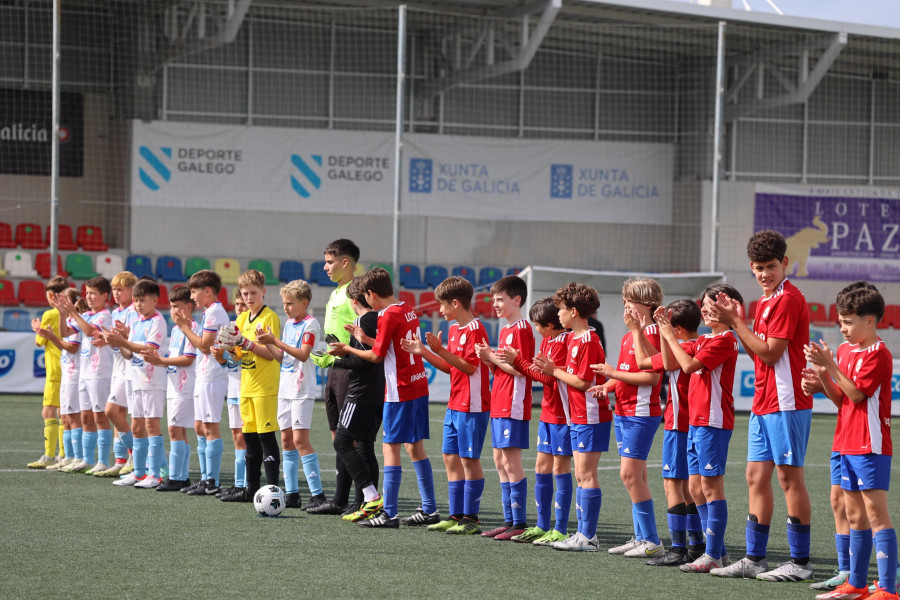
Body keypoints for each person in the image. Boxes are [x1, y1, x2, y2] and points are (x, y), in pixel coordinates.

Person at [706, 230, 814, 582]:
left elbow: (772, 353)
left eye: (771, 266)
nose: (764, 273)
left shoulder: (787, 299)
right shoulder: (766, 302)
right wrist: (738, 324)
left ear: (784, 263)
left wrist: (735, 322)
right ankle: (754, 559)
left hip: (786, 402)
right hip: (764, 401)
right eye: (758, 267)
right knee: (755, 477)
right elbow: (758, 354)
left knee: (788, 478)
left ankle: (799, 563)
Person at [806, 282, 898, 600]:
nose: (842, 328)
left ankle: (887, 588)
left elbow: (858, 394)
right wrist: (822, 377)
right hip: (846, 443)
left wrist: (830, 367)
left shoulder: (880, 354)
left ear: (870, 322)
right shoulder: (845, 351)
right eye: (841, 321)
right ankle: (857, 584)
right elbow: (843, 399)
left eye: (848, 321)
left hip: (870, 445)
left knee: (876, 515)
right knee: (855, 515)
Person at [328, 267, 437, 529]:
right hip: (418, 385)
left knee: (390, 448)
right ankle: (430, 508)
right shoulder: (408, 308)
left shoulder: (386, 315)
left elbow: (376, 356)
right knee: (415, 446)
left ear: (371, 294)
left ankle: (389, 513)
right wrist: (363, 338)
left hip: (399, 390)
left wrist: (347, 349)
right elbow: (387, 345)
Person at [655, 287, 743, 573]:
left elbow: (690, 366)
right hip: (697, 422)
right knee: (694, 487)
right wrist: (664, 331)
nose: (704, 309)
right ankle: (718, 553)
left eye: (709, 305)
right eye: (703, 305)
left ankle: (713, 555)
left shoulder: (726, 340)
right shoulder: (705, 338)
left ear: (728, 309)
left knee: (710, 487)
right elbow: (671, 363)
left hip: (713, 422)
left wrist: (669, 334)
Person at [402, 276, 491, 535]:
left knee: (468, 460)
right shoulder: (454, 330)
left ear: (455, 303)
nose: (439, 310)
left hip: (473, 406)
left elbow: (470, 366)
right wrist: (424, 352)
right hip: (455, 403)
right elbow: (453, 369)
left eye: (442, 304)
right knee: (449, 457)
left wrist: (439, 350)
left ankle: (471, 519)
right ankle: (455, 516)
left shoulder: (476, 328)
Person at [533, 282, 610, 552]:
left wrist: (553, 370)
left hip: (590, 416)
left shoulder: (588, 339)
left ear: (574, 311)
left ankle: (588, 536)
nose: (558, 314)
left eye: (562, 309)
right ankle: (582, 533)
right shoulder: (574, 338)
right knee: (580, 474)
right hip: (576, 416)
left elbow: (582, 382)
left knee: (585, 474)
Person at [593, 277, 665, 559]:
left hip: (641, 412)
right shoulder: (628, 335)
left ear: (647, 304)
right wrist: (607, 386)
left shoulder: (654, 333)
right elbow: (624, 371)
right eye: (624, 300)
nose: (625, 304)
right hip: (623, 411)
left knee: (629, 474)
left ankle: (652, 541)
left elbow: (651, 377)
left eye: (629, 300)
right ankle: (640, 537)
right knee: (638, 474)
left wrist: (611, 375)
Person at [631, 299, 705, 567]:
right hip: (694, 423)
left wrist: (637, 332)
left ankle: (678, 548)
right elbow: (655, 360)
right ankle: (696, 545)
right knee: (688, 489)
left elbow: (642, 362)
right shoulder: (694, 346)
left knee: (673, 484)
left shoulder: (681, 349)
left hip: (678, 424)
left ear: (678, 329)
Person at [312, 275, 385, 520]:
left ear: (355, 300)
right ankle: (367, 504)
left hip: (361, 392)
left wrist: (338, 356)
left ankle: (371, 495)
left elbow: (365, 361)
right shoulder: (375, 318)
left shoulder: (364, 320)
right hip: (375, 391)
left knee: (342, 442)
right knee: (365, 448)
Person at [500, 297, 572, 547]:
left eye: (538, 325)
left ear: (550, 325)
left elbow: (550, 379)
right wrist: (518, 362)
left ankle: (560, 528)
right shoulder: (548, 340)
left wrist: (518, 362)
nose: (535, 329)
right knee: (541, 468)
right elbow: (539, 371)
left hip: (564, 416)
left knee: (560, 470)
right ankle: (542, 525)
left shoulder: (564, 342)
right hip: (548, 414)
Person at [475, 275, 535, 541]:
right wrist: (488, 359)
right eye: (494, 299)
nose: (495, 304)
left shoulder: (522, 328)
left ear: (516, 299)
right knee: (500, 461)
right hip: (499, 400)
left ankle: (519, 522)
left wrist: (490, 357)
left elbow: (522, 371)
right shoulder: (506, 328)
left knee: (511, 463)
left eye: (500, 299)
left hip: (513, 402)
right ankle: (509, 520)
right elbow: (502, 369)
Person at [256, 279, 325, 509]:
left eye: (290, 303)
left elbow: (304, 355)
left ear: (304, 303)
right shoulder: (289, 324)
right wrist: (267, 343)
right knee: (286, 440)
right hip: (285, 388)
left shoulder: (311, 324)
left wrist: (274, 340)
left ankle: (317, 495)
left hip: (301, 389)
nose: (286, 308)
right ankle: (293, 494)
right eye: (284, 303)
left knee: (299, 440)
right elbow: (281, 358)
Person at [217, 269, 282, 502]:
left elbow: (272, 354)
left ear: (263, 291)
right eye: (245, 293)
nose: (249, 298)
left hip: (265, 387)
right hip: (246, 387)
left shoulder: (269, 318)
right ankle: (250, 489)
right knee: (250, 440)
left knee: (266, 439)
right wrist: (225, 350)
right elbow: (238, 356)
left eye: (253, 292)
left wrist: (245, 342)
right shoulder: (242, 319)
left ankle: (273, 491)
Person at [309, 239, 360, 514]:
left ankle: (359, 500)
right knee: (335, 433)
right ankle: (340, 500)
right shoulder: (336, 292)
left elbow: (364, 334)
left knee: (349, 436)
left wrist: (345, 355)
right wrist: (326, 356)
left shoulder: (356, 293)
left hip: (351, 369)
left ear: (345, 262)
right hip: (334, 369)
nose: (325, 267)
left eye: (330, 262)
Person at [105, 278, 168, 487]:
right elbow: (129, 354)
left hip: (152, 380)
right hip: (135, 379)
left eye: (143, 300)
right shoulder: (136, 322)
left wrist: (123, 341)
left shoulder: (157, 321)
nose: (139, 305)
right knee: (137, 426)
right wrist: (116, 341)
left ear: (155, 301)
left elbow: (149, 349)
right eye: (137, 301)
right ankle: (139, 472)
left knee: (151, 425)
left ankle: (156, 474)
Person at [177, 270, 230, 497]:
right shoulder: (210, 312)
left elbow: (206, 346)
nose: (192, 296)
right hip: (204, 375)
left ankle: (213, 481)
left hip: (213, 376)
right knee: (200, 427)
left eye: (195, 291)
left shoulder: (215, 312)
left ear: (208, 291)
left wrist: (184, 327)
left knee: (210, 426)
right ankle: (205, 478)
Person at [53, 276, 114, 474]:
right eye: (87, 293)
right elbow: (64, 332)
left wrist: (72, 312)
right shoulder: (86, 315)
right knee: (86, 416)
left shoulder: (104, 315)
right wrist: (63, 314)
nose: (88, 297)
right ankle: (86, 459)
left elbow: (89, 332)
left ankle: (103, 460)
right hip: (84, 373)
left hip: (100, 372)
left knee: (100, 417)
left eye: (93, 293)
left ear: (105, 296)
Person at [144, 286, 199, 491]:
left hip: (186, 386)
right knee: (179, 430)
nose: (173, 311)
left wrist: (160, 361)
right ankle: (182, 476)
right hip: (175, 385)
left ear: (189, 306)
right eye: (172, 306)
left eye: (177, 306)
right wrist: (161, 361)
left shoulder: (192, 327)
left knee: (174, 429)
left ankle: (176, 477)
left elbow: (188, 359)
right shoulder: (176, 329)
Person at [35, 288, 86, 472]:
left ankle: (78, 457)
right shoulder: (70, 321)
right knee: (65, 417)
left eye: (66, 299)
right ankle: (69, 456)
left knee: (74, 418)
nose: (61, 302)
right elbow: (63, 335)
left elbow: (71, 347)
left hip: (75, 374)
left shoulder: (79, 321)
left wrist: (50, 336)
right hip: (67, 373)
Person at [95, 271, 139, 478]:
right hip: (117, 365)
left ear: (131, 291)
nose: (115, 293)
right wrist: (106, 340)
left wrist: (119, 339)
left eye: (120, 289)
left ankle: (135, 455)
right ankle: (120, 461)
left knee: (111, 411)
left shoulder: (133, 311)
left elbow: (129, 343)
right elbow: (116, 340)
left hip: (130, 367)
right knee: (117, 414)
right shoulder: (116, 312)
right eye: (114, 289)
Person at [28, 275, 70, 469]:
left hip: (54, 372)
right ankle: (63, 455)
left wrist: (36, 328)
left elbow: (39, 342)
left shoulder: (49, 314)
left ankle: (49, 456)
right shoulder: (72, 313)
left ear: (52, 295)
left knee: (48, 412)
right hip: (69, 370)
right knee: (64, 414)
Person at [212, 289, 247, 499]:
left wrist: (229, 353)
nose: (240, 308)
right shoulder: (231, 327)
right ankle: (238, 482)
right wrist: (218, 356)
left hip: (247, 387)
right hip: (233, 387)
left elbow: (244, 358)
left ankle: (245, 483)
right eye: (237, 305)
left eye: (244, 304)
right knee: (236, 435)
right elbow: (227, 362)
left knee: (246, 436)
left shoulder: (248, 330)